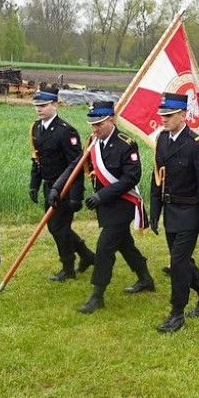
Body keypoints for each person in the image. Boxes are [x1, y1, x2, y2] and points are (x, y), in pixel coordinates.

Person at [53, 101, 154, 314]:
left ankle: (97, 295)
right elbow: (75, 166)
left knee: (104, 248)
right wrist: (57, 187)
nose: (95, 128)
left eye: (99, 124)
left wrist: (101, 195)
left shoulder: (126, 144)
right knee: (125, 244)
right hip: (105, 206)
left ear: (111, 120)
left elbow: (131, 177)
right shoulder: (93, 141)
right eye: (92, 124)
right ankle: (145, 279)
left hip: (122, 204)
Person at [150, 93, 199, 333]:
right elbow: (157, 178)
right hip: (171, 212)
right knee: (184, 262)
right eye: (162, 116)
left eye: (169, 116)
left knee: (178, 263)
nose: (164, 120)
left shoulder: (197, 144)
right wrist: (155, 211)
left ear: (183, 115)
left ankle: (176, 312)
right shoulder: (162, 140)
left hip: (191, 212)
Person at [29, 85, 95, 282]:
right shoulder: (36, 128)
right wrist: (34, 184)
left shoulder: (66, 132)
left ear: (55, 105)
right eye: (36, 106)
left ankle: (68, 267)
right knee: (57, 227)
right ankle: (88, 256)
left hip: (65, 189)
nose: (39, 109)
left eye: (43, 105)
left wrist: (76, 196)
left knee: (58, 228)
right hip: (48, 187)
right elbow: (37, 160)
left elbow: (76, 166)